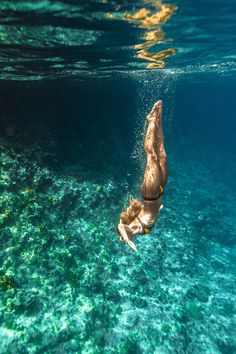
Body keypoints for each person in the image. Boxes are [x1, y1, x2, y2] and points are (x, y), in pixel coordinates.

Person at [117, 100, 167, 252]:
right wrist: (159, 208)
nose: (121, 239)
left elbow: (120, 226)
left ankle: (151, 120)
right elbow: (152, 213)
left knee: (151, 155)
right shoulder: (136, 226)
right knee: (161, 153)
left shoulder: (132, 229)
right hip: (160, 191)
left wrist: (127, 241)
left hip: (150, 193)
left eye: (120, 238)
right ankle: (158, 120)